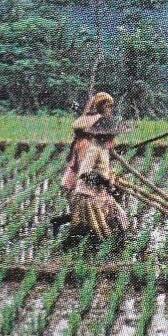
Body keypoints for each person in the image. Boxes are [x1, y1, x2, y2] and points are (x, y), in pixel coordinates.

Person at [52, 92, 115, 236]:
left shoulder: (91, 142)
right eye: (107, 105)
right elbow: (84, 168)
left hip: (82, 182)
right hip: (80, 182)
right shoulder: (85, 144)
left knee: (84, 212)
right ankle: (70, 235)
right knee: (82, 212)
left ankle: (64, 225)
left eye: (111, 106)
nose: (109, 108)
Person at [70, 114, 133, 247]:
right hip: (88, 196)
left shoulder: (104, 149)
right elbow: (84, 173)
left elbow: (102, 168)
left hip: (100, 193)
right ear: (106, 137)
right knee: (101, 227)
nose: (114, 140)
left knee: (120, 216)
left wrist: (110, 179)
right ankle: (110, 244)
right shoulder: (94, 150)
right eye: (113, 137)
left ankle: (123, 240)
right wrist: (104, 181)